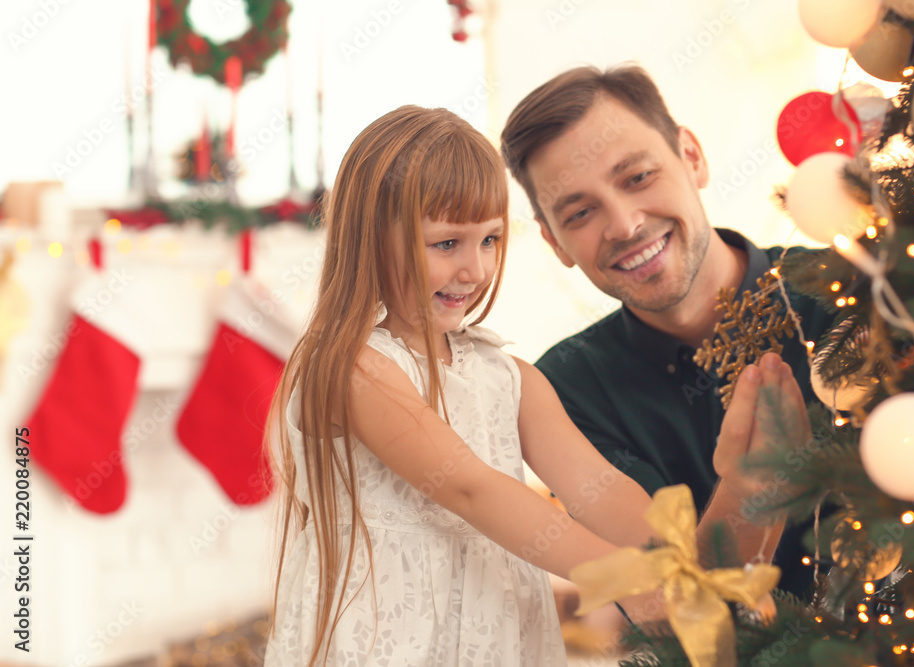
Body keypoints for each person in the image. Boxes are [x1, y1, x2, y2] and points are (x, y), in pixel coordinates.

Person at [262, 105, 800, 666]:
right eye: (446, 244)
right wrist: (626, 580)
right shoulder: (356, 367)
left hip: (498, 637)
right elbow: (472, 489)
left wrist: (679, 565)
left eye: (490, 240)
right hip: (385, 642)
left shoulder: (510, 377)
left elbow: (603, 489)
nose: (475, 269)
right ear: (372, 239)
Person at [500, 65, 834, 596]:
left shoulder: (854, 292)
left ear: (691, 158)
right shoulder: (563, 391)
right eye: (581, 211)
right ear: (555, 242)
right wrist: (748, 487)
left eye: (637, 178)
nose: (626, 225)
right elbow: (676, 609)